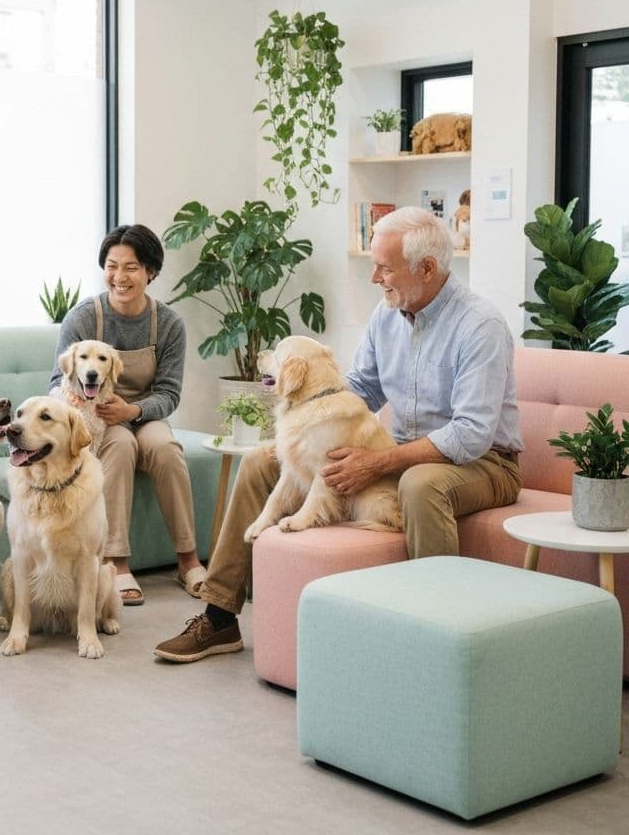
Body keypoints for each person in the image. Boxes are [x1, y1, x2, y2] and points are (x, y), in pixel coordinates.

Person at [154, 205, 523, 662]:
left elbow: (471, 435)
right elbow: (360, 391)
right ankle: (220, 617)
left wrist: (379, 462)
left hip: (483, 463)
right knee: (259, 462)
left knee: (420, 483)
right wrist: (305, 437)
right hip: (401, 451)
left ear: (427, 268)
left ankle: (435, 640)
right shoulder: (387, 315)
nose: (374, 279)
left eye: (384, 268)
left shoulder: (479, 326)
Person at [49, 224, 206, 606]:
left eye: (132, 267)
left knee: (166, 448)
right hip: (98, 417)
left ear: (150, 271)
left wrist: (133, 409)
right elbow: (57, 381)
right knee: (118, 446)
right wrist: (95, 412)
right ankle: (116, 563)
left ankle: (188, 559)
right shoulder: (84, 317)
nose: (120, 277)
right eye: (112, 265)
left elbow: (169, 394)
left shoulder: (168, 324)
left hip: (144, 411)